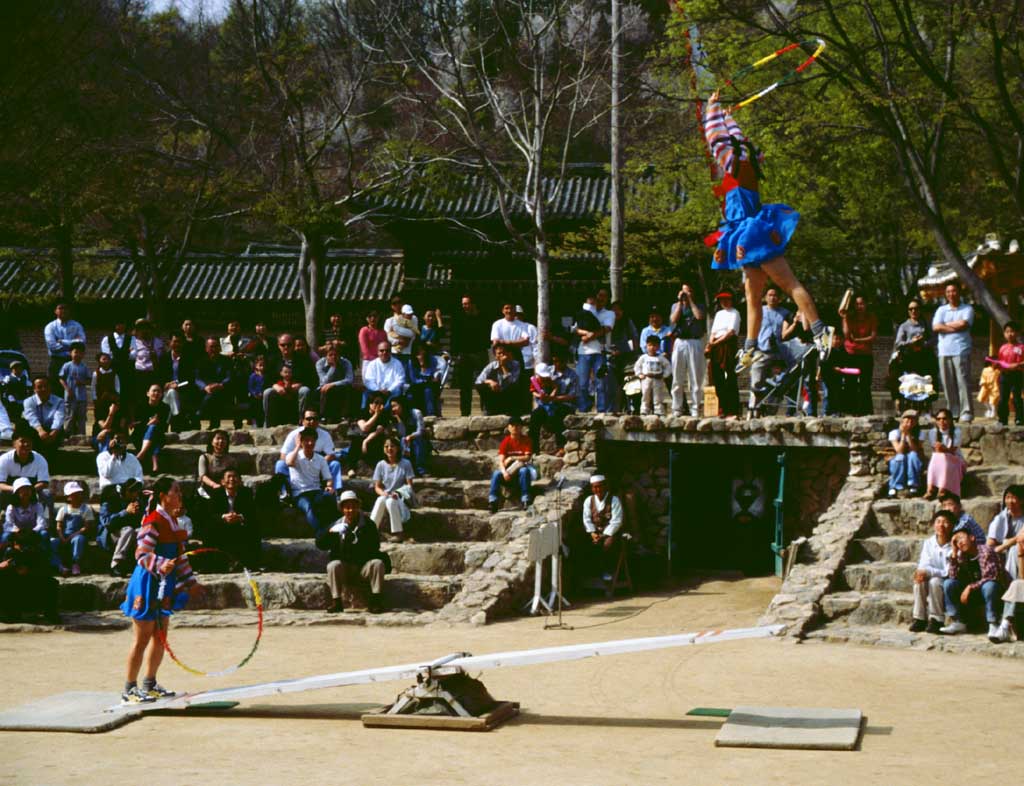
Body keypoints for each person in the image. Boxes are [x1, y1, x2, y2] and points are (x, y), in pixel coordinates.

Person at [702, 91, 834, 371]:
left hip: (751, 232)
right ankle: (750, 346)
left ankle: (820, 330)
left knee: (788, 283)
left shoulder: (732, 163)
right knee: (753, 295)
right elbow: (737, 137)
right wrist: (729, 118)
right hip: (745, 232)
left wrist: (712, 108)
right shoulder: (746, 159)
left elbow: (714, 136)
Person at [120, 478, 202, 704]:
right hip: (147, 583)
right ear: (163, 496)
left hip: (164, 584)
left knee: (160, 635)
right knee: (141, 638)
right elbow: (142, 553)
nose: (179, 495)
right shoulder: (152, 521)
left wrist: (190, 582)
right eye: (175, 491)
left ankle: (150, 682)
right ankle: (129, 688)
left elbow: (180, 557)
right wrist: (159, 564)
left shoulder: (174, 523)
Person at [317, 490, 388, 613]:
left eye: (353, 507)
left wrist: (358, 540)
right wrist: (330, 532)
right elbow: (320, 544)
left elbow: (374, 547)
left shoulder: (368, 524)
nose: (350, 510)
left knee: (378, 563)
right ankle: (337, 602)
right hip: (345, 568)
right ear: (342, 509)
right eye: (347, 508)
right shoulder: (337, 524)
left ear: (358, 507)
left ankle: (376, 600)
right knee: (333, 565)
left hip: (362, 567)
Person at [940, 529, 1009, 637]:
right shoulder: (962, 555)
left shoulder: (986, 551)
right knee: (948, 583)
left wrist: (970, 587)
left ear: (972, 538)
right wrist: (954, 552)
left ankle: (993, 623)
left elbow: (991, 576)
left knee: (989, 586)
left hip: (995, 593)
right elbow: (952, 576)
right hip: (975, 594)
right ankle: (958, 622)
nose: (960, 542)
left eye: (961, 538)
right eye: (956, 541)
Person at [0, 519, 60, 624]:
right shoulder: (11, 553)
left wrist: (28, 569)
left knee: (52, 583)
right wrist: (9, 565)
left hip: (34, 590)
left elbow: (45, 573)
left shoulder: (39, 554)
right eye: (20, 545)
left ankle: (50, 615)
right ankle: (11, 614)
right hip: (15, 591)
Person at [201, 468, 261, 570]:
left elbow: (252, 513)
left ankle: (251, 564)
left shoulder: (246, 493)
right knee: (208, 529)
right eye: (229, 477)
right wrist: (224, 517)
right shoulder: (216, 494)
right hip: (222, 526)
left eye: (234, 476)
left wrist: (240, 517)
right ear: (222, 482)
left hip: (239, 526)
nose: (232, 479)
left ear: (240, 480)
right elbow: (210, 514)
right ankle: (209, 565)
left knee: (255, 529)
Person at [932, 282, 975, 422]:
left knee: (962, 380)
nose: (951, 294)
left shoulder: (967, 308)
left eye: (954, 291)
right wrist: (954, 326)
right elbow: (935, 327)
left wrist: (945, 326)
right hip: (944, 350)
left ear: (959, 292)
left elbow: (964, 324)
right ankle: (953, 411)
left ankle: (966, 411)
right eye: (948, 291)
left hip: (961, 349)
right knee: (947, 382)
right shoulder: (941, 310)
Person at [274, 411, 343, 494]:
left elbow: (331, 455)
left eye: (315, 419)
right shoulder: (294, 435)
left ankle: (333, 493)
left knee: (335, 464)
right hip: (297, 466)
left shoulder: (325, 435)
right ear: (302, 421)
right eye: (309, 419)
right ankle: (285, 493)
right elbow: (283, 456)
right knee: (280, 464)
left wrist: (317, 464)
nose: (312, 421)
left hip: (318, 466)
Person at [284, 427, 336, 538]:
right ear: (301, 441)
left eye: (312, 440)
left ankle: (335, 528)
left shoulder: (320, 459)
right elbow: (289, 462)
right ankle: (320, 533)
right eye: (306, 440)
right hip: (300, 494)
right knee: (308, 506)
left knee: (330, 497)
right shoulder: (293, 456)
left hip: (316, 491)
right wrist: (297, 446)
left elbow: (328, 478)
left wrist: (329, 486)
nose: (310, 443)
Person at [910, 510, 954, 634]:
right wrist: (922, 572)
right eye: (938, 522)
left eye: (945, 522)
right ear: (934, 525)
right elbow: (924, 563)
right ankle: (919, 618)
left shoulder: (954, 544)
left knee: (934, 582)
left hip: (948, 579)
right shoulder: (929, 543)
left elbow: (947, 571)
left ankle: (936, 619)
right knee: (919, 581)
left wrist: (928, 571)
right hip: (931, 575)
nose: (941, 525)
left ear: (951, 526)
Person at [574, 290, 615, 413]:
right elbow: (576, 329)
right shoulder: (585, 311)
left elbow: (607, 328)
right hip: (583, 351)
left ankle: (602, 410)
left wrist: (590, 336)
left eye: (604, 296)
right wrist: (586, 334)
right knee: (582, 383)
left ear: (607, 299)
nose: (601, 298)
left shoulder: (609, 313)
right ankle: (583, 408)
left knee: (601, 382)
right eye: (599, 295)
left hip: (600, 351)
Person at [449, 295, 490, 417]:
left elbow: (487, 336)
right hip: (464, 354)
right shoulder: (459, 318)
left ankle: (485, 411)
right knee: (465, 386)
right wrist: (454, 354)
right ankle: (465, 413)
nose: (465, 306)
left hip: (479, 353)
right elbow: (455, 336)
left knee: (482, 384)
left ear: (473, 304)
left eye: (467, 304)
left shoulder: (483, 318)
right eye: (463, 304)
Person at [669, 283, 706, 417]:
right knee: (677, 377)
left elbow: (699, 317)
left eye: (688, 291)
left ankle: (695, 408)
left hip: (694, 341)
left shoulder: (699, 305)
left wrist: (690, 301)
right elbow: (673, 320)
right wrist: (680, 302)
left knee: (695, 377)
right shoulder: (675, 305)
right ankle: (677, 408)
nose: (685, 293)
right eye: (683, 291)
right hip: (680, 342)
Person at [370, 437, 416, 543]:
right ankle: (371, 530)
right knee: (381, 499)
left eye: (392, 446)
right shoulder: (380, 464)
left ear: (398, 448)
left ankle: (398, 533)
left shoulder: (406, 463)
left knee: (391, 501)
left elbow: (410, 486)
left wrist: (398, 493)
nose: (389, 449)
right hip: (387, 496)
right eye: (386, 446)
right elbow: (377, 486)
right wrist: (384, 493)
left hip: (403, 498)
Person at [890, 299, 937, 402]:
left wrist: (924, 343)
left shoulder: (925, 324)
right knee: (910, 383)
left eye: (916, 308)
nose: (913, 311)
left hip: (923, 357)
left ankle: (926, 406)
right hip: (909, 359)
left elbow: (934, 339)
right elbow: (898, 343)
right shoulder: (904, 326)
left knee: (925, 383)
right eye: (910, 309)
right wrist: (911, 342)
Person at [0, 429, 53, 520]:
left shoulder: (40, 459)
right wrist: (17, 490)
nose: (26, 445)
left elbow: (44, 483)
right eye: (22, 441)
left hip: (32, 493)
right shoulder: (4, 459)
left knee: (47, 494)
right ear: (14, 444)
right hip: (11, 493)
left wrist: (28, 491)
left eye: (29, 442)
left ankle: (48, 525)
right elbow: (0, 484)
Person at [580, 474, 624, 582]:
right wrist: (592, 533)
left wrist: (604, 535)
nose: (598, 489)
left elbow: (617, 521)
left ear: (605, 486)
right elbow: (586, 519)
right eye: (595, 487)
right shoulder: (588, 501)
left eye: (600, 486)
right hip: (595, 532)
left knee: (607, 544)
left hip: (610, 533)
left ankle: (607, 572)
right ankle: (589, 573)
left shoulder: (614, 500)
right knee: (581, 543)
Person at [839, 294, 878, 415]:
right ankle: (850, 410)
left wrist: (858, 340)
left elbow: (872, 336)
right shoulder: (850, 317)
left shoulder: (871, 317)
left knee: (865, 384)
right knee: (850, 383)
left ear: (866, 305)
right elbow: (846, 334)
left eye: (861, 304)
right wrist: (844, 318)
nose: (859, 306)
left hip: (865, 355)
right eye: (857, 304)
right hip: (851, 355)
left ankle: (866, 411)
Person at [705, 289, 742, 417]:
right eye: (722, 300)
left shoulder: (735, 313)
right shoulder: (719, 314)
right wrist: (711, 343)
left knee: (729, 376)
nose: (724, 302)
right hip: (716, 344)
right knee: (716, 376)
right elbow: (713, 331)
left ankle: (732, 409)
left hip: (727, 345)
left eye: (727, 299)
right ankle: (721, 407)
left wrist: (716, 343)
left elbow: (731, 332)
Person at [528, 360, 577, 456]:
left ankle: (561, 446)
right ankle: (533, 448)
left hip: (558, 404)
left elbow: (569, 394)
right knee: (535, 416)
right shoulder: (535, 381)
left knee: (558, 416)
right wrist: (540, 396)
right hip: (545, 404)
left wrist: (552, 396)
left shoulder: (553, 379)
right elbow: (533, 392)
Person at [97, 479, 144, 576]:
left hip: (127, 535)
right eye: (134, 493)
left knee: (141, 531)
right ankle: (116, 564)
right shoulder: (110, 499)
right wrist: (125, 512)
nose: (136, 495)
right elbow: (106, 522)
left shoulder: (136, 501)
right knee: (128, 530)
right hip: (109, 535)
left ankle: (142, 563)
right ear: (127, 492)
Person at [488, 416, 536, 513]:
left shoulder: (526, 440)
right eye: (512, 426)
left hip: (521, 476)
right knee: (496, 474)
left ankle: (525, 500)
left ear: (521, 427)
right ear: (508, 428)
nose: (515, 428)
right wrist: (504, 472)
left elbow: (527, 457)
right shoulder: (506, 441)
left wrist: (512, 458)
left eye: (517, 426)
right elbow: (501, 461)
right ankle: (493, 501)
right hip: (508, 475)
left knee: (524, 470)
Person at [263, 334, 311, 422]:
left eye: (289, 345)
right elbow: (266, 379)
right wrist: (275, 386)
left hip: (296, 390)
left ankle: (302, 422)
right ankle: (268, 424)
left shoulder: (303, 359)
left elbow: (312, 378)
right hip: (279, 390)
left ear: (293, 345)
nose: (286, 347)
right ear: (278, 345)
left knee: (305, 390)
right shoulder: (272, 359)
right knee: (267, 392)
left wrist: (301, 384)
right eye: (283, 345)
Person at [53, 480, 95, 576]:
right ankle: (59, 566)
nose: (77, 496)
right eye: (74, 494)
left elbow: (86, 526)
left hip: (78, 535)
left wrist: (73, 536)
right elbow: (58, 526)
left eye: (78, 494)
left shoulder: (86, 509)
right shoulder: (63, 509)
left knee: (79, 540)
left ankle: (75, 563)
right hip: (65, 535)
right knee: (53, 543)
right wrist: (62, 537)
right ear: (68, 496)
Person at [157, 333, 198, 431]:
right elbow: (159, 377)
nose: (177, 344)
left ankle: (166, 424)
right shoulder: (164, 358)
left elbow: (191, 378)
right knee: (171, 393)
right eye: (175, 341)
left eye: (179, 342)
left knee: (172, 393)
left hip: (184, 390)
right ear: (170, 343)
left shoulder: (189, 358)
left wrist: (178, 385)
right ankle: (177, 420)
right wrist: (166, 384)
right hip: (167, 390)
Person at [923, 409, 966, 500]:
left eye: (944, 418)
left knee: (942, 456)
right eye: (938, 419)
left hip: (955, 459)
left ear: (950, 420)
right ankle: (930, 488)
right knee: (937, 456)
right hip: (939, 459)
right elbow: (935, 450)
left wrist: (944, 449)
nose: (941, 421)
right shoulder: (933, 432)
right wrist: (941, 449)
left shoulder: (956, 432)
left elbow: (953, 451)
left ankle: (942, 489)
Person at [346, 394, 393, 475]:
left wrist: (366, 441)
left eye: (381, 403)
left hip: (374, 439)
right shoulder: (362, 412)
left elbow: (379, 430)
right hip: (361, 437)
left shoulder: (384, 414)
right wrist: (376, 415)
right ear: (370, 404)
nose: (378, 405)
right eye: (376, 402)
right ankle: (351, 469)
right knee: (355, 442)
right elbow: (365, 428)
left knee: (381, 440)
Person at [44, 302, 86, 390]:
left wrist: (62, 341)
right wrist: (73, 344)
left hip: (73, 362)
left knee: (74, 389)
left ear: (69, 311)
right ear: (55, 311)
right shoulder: (50, 327)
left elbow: (82, 343)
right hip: (56, 362)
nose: (63, 310)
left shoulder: (77, 326)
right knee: (55, 390)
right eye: (60, 308)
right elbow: (53, 347)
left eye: (66, 308)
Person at [22, 376, 66, 456]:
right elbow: (31, 417)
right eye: (39, 387)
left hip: (52, 432)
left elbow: (59, 418)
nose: (43, 389)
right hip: (36, 431)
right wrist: (40, 430)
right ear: (34, 389)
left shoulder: (59, 401)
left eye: (46, 386)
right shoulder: (28, 401)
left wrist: (54, 432)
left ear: (50, 387)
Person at [608, 301, 639, 413]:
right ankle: (615, 409)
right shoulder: (607, 321)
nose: (616, 312)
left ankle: (629, 408)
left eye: (618, 309)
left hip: (626, 356)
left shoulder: (627, 321)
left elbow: (634, 337)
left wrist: (635, 354)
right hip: (610, 356)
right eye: (613, 309)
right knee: (613, 385)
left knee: (628, 383)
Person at [196, 337, 233, 429]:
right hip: (205, 391)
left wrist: (220, 385)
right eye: (211, 347)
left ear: (220, 348)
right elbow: (197, 378)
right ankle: (214, 424)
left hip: (222, 390)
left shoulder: (226, 361)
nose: (214, 349)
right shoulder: (201, 361)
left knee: (214, 395)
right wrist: (205, 387)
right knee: (211, 395)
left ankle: (198, 415)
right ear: (206, 348)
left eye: (216, 346)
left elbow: (229, 377)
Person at [132, 383, 169, 473]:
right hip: (140, 435)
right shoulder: (140, 406)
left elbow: (164, 427)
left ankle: (141, 454)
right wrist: (148, 424)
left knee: (154, 430)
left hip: (158, 434)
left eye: (159, 391)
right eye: (154, 391)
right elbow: (135, 424)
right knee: (152, 428)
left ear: (161, 394)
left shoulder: (165, 407)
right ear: (148, 393)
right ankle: (154, 460)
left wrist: (156, 424)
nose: (156, 393)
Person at [475, 345, 522, 416]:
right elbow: (478, 381)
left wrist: (503, 366)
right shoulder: (492, 365)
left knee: (514, 387)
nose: (502, 355)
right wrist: (490, 382)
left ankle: (510, 411)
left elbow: (513, 381)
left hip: (508, 395)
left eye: (503, 353)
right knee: (481, 386)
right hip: (495, 394)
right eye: (499, 353)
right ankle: (488, 410)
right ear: (495, 356)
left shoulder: (515, 364)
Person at [390, 397, 430, 477]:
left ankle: (421, 469)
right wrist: (399, 420)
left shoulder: (416, 412)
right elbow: (401, 434)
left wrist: (411, 436)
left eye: (395, 406)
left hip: (418, 439)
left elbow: (420, 431)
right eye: (391, 407)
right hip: (405, 441)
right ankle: (406, 470)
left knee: (417, 441)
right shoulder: (395, 417)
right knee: (402, 441)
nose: (393, 409)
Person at [887, 409, 923, 497]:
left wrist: (909, 435)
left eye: (913, 420)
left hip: (913, 459)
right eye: (907, 419)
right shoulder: (894, 433)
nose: (910, 422)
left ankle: (913, 484)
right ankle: (895, 486)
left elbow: (915, 449)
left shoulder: (920, 433)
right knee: (900, 457)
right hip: (897, 459)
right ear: (902, 420)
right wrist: (903, 435)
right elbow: (899, 450)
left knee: (913, 455)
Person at [362, 342, 408, 409]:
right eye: (381, 350)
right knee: (366, 393)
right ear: (378, 352)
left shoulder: (397, 363)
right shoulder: (372, 364)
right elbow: (369, 381)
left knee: (398, 391)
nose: (384, 352)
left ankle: (385, 410)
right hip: (376, 391)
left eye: (387, 350)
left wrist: (389, 390)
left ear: (390, 352)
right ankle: (363, 414)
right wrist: (378, 390)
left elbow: (400, 380)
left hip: (391, 391)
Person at [634, 334, 672, 416]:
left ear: (658, 347)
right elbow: (637, 366)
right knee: (645, 395)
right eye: (650, 345)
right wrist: (639, 374)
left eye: (654, 345)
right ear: (646, 346)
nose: (652, 347)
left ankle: (659, 411)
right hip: (646, 378)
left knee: (658, 396)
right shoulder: (643, 357)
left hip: (657, 378)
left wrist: (664, 375)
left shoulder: (661, 358)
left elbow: (668, 367)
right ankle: (644, 410)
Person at [197, 429, 241, 499]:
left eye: (223, 439)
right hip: (208, 490)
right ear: (212, 441)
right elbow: (203, 476)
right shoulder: (204, 458)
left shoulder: (231, 460)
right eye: (218, 438)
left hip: (226, 490)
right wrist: (214, 485)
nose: (220, 441)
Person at [315, 344, 354, 422]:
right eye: (330, 355)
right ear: (326, 355)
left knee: (348, 388)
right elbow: (323, 382)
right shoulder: (320, 363)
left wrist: (333, 384)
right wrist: (333, 367)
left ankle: (344, 416)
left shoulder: (346, 362)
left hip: (341, 387)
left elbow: (349, 379)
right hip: (324, 388)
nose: (333, 357)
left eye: (336, 355)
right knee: (324, 389)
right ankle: (323, 416)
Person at [58, 342, 90, 436]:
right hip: (70, 397)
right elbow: (61, 378)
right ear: (70, 353)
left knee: (81, 418)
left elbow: (89, 380)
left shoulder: (84, 367)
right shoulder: (67, 365)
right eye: (75, 352)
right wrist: (67, 389)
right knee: (69, 416)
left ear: (83, 354)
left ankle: (81, 437)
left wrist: (82, 382)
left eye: (80, 353)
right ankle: (68, 436)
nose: (78, 355)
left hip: (81, 397)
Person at [995, 321, 1023, 426]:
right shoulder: (1002, 348)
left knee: (1017, 397)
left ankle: (1019, 418)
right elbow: (1000, 361)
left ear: (1017, 333)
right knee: (1003, 398)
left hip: (1017, 375)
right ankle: (1002, 419)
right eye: (1007, 332)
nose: (1009, 334)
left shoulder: (1021, 347)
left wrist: (1017, 365)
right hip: (1004, 375)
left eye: (1012, 331)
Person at [129, 319, 163, 407]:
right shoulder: (133, 342)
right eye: (141, 328)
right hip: (138, 374)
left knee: (153, 398)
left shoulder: (158, 342)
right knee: (139, 398)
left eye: (146, 328)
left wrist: (154, 355)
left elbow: (161, 359)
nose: (144, 331)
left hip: (153, 374)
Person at [408, 343, 444, 417]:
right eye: (418, 354)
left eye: (423, 353)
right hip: (416, 386)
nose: (420, 356)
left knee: (428, 391)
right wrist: (422, 368)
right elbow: (413, 379)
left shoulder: (433, 360)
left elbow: (434, 375)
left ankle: (430, 415)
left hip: (430, 385)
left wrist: (424, 367)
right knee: (410, 395)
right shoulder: (411, 362)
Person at [384, 297, 419, 370]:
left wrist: (396, 332)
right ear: (392, 306)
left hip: (408, 352)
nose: (398, 306)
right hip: (395, 352)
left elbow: (413, 334)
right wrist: (398, 341)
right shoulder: (390, 320)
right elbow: (388, 337)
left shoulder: (413, 318)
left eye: (400, 303)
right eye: (395, 304)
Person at [92, 350, 121, 426]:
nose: (106, 361)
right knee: (100, 416)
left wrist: (117, 395)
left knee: (112, 415)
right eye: (103, 359)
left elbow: (117, 386)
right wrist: (94, 397)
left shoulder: (114, 374)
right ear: (99, 361)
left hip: (111, 398)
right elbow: (93, 386)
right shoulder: (96, 373)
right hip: (100, 399)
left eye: (108, 359)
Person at [357, 310, 388, 378]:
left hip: (381, 362)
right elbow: (364, 349)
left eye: (375, 316)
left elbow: (386, 348)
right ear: (366, 318)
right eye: (370, 316)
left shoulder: (383, 332)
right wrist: (376, 360)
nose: (372, 318)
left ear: (378, 318)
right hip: (368, 361)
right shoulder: (364, 330)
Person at [1, 357, 31, 423]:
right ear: (12, 370)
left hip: (22, 398)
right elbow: (3, 387)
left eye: (20, 368)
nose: (18, 370)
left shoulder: (24, 378)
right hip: (12, 399)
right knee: (13, 414)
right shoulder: (8, 378)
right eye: (15, 368)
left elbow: (30, 387)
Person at [247, 355, 266, 427]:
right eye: (260, 365)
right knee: (255, 408)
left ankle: (264, 421)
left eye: (263, 365)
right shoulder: (253, 376)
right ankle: (254, 422)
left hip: (263, 395)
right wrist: (254, 393)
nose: (262, 367)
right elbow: (250, 387)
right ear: (256, 366)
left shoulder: (266, 376)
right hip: (255, 396)